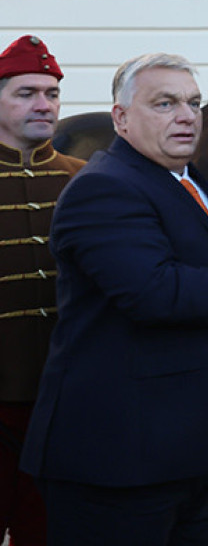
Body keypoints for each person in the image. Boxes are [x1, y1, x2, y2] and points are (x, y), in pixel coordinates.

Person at [20, 53, 208, 546]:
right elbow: (152, 291)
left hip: (189, 453)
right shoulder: (103, 188)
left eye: (194, 102)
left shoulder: (185, 178)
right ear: (120, 118)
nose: (187, 115)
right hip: (122, 466)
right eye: (165, 103)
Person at [0, 36, 85, 546]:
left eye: (52, 94)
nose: (43, 104)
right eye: (27, 92)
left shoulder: (84, 181)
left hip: (63, 407)